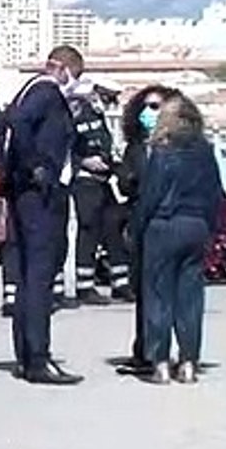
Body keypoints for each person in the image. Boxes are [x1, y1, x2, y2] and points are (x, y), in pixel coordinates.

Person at [0, 45, 85, 385]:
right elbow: (18, 124)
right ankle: (37, 356)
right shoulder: (46, 92)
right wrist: (36, 166)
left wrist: (10, 169)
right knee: (39, 276)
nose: (73, 83)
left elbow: (4, 125)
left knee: (26, 274)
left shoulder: (25, 91)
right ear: (62, 68)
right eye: (75, 75)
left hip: (24, 194)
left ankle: (26, 354)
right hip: (41, 196)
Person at [133, 95, 223, 385]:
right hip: (196, 225)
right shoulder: (205, 152)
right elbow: (215, 195)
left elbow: (150, 196)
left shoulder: (163, 151)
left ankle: (160, 362)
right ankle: (188, 362)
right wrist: (211, 228)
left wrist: (136, 229)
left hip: (164, 225)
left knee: (158, 295)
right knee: (190, 297)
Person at [115, 84, 179, 372]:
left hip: (172, 224)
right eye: (147, 107)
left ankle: (177, 352)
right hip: (142, 224)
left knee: (172, 292)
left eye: (157, 107)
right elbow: (126, 184)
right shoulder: (136, 148)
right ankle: (145, 351)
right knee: (144, 291)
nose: (150, 113)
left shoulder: (179, 147)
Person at [68, 78, 125, 305]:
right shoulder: (77, 113)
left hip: (104, 180)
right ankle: (85, 286)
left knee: (113, 228)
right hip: (84, 181)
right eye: (108, 97)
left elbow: (106, 145)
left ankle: (121, 283)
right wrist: (83, 162)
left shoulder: (100, 117)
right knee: (89, 230)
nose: (111, 103)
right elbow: (67, 147)